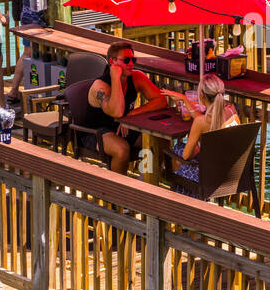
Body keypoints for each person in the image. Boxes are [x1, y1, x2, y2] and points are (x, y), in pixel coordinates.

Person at [77, 40, 168, 175]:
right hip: (95, 131)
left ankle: (145, 177)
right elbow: (118, 112)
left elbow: (161, 100)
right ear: (112, 62)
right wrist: (115, 77)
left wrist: (131, 115)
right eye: (126, 60)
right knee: (121, 150)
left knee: (159, 140)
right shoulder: (100, 87)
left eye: (133, 59)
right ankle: (118, 187)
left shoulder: (136, 77)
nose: (131, 64)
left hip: (122, 125)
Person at [166, 73, 239, 193]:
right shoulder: (231, 110)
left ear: (202, 95)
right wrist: (184, 99)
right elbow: (208, 121)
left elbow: (186, 156)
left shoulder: (201, 122)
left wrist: (198, 145)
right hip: (231, 173)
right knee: (182, 151)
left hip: (207, 178)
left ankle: (181, 198)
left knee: (177, 150)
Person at [6, 0, 47, 106]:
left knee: (27, 52)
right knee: (41, 52)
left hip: (26, 13)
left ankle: (14, 89)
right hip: (40, 14)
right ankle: (39, 91)